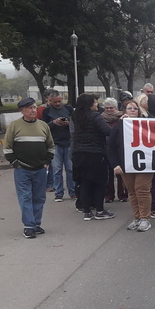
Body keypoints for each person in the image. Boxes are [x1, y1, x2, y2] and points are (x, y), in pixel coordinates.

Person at [3, 97, 55, 238]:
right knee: (25, 197)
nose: (33, 110)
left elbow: (50, 146)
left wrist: (47, 161)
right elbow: (7, 147)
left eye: (34, 107)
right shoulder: (14, 126)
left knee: (39, 197)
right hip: (22, 169)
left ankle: (36, 223)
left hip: (40, 168)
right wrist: (15, 163)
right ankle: (29, 226)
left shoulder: (43, 126)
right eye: (30, 108)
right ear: (22, 111)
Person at [108, 100, 153, 231]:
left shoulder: (146, 125)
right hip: (126, 164)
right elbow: (111, 147)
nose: (132, 110)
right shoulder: (118, 126)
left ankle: (145, 218)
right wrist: (115, 164)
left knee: (142, 189)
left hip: (145, 164)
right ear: (124, 111)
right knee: (132, 191)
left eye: (135, 108)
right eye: (129, 108)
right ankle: (137, 218)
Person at [71, 93, 114, 221]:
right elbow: (108, 131)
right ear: (90, 104)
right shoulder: (95, 116)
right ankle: (100, 210)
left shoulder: (75, 116)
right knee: (100, 182)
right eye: (95, 102)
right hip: (95, 154)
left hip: (78, 153)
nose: (97, 104)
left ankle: (87, 212)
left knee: (84, 182)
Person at [41, 90, 75, 202]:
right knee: (57, 169)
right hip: (55, 143)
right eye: (55, 102)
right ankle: (59, 193)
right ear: (50, 101)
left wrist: (68, 123)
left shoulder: (69, 109)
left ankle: (73, 191)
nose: (58, 104)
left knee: (70, 169)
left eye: (60, 101)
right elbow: (43, 127)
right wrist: (53, 123)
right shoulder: (46, 111)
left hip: (69, 142)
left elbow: (76, 123)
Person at [101, 98, 128, 203]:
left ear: (116, 108)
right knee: (108, 174)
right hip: (106, 147)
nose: (109, 110)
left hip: (118, 148)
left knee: (120, 173)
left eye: (111, 108)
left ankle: (123, 195)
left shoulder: (121, 118)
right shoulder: (101, 118)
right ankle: (109, 195)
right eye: (107, 108)